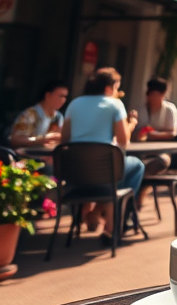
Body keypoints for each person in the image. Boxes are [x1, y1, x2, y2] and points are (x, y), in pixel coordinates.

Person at [60, 67, 144, 243]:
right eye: (116, 88)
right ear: (108, 88)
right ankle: (115, 225)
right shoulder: (114, 104)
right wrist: (132, 123)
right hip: (105, 172)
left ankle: (95, 212)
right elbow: (123, 141)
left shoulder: (74, 104)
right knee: (135, 165)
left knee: (113, 173)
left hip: (76, 175)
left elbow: (65, 139)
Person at [9, 79, 69, 150]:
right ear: (48, 95)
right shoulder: (30, 114)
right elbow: (15, 140)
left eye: (65, 97)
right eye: (61, 96)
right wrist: (39, 140)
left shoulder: (59, 117)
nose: (63, 100)